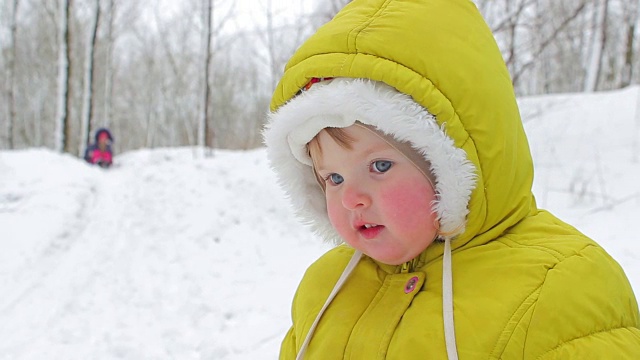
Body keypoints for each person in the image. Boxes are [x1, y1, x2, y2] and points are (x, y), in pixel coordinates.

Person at [263, 0, 640, 359]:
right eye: (334, 177)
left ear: (452, 163)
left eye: (379, 166)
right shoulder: (326, 288)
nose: (351, 199)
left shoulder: (560, 289)